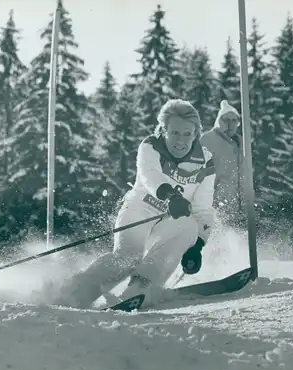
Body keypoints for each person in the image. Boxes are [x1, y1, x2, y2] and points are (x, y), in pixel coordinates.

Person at [58, 99, 216, 308]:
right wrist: (170, 196)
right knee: (128, 258)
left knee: (189, 225)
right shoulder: (151, 146)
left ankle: (141, 288)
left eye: (187, 134)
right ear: (163, 130)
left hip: (171, 218)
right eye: (175, 133)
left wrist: (197, 246)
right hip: (141, 207)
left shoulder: (206, 162)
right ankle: (76, 292)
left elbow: (203, 208)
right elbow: (150, 175)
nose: (181, 140)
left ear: (196, 134)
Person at [200, 100, 244, 229]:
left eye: (234, 120)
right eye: (226, 120)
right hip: (214, 201)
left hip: (236, 203)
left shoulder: (241, 142)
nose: (230, 124)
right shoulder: (207, 139)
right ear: (219, 120)